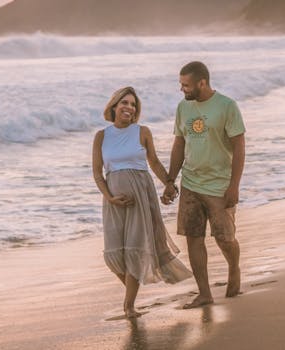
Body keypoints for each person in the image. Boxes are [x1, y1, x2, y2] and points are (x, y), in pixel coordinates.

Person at [92, 86, 192, 319]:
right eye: (124, 103)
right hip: (113, 202)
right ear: (114, 106)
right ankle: (131, 293)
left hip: (141, 196)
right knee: (115, 253)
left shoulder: (142, 132)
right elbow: (98, 173)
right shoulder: (102, 136)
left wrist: (169, 182)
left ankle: (128, 306)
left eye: (133, 105)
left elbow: (154, 162)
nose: (129, 107)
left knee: (135, 251)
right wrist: (110, 197)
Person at [162, 61, 246, 309]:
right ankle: (205, 293)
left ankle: (233, 268)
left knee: (225, 239)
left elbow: (239, 147)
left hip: (219, 185)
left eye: (186, 85)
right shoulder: (183, 108)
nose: (182, 89)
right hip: (190, 183)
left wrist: (234, 186)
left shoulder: (227, 106)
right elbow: (179, 144)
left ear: (202, 83)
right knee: (193, 238)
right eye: (180, 84)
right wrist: (170, 179)